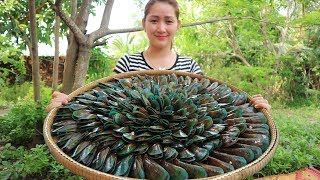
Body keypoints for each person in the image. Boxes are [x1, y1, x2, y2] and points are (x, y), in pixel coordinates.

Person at [46, 0, 271, 113]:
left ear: (178, 25)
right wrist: (68, 103)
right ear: (144, 24)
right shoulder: (127, 63)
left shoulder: (190, 66)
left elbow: (209, 106)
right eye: (154, 20)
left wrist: (250, 105)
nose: (161, 28)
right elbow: (106, 103)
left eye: (168, 21)